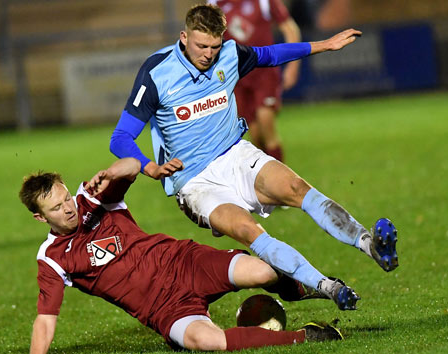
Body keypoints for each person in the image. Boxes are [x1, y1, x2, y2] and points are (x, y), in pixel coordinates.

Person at [110, 4, 398, 311]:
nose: (208, 54)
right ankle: (327, 287)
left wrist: (325, 45)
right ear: (184, 37)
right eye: (201, 46)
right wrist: (149, 166)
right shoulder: (157, 73)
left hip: (235, 153)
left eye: (214, 46)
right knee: (250, 232)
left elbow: (271, 54)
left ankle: (371, 245)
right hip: (194, 182)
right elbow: (121, 137)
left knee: (297, 188)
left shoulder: (230, 54)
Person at [19, 158, 344, 353]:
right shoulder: (53, 258)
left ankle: (299, 288)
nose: (67, 209)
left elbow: (132, 167)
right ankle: (306, 335)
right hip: (162, 308)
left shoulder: (92, 197)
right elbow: (46, 321)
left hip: (183, 263)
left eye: (65, 199)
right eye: (56, 208)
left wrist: (110, 172)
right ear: (40, 217)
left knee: (262, 272)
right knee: (204, 341)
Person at [207, 0, 302, 161]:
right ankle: (266, 177)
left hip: (264, 73)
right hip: (237, 76)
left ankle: (282, 183)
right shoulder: (215, 3)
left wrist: (293, 67)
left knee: (266, 123)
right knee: (256, 134)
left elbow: (290, 29)